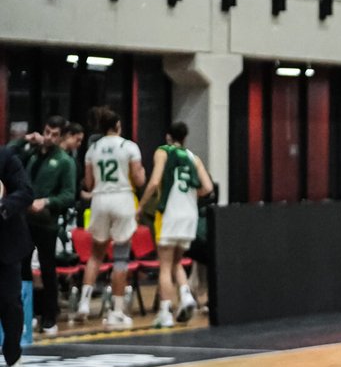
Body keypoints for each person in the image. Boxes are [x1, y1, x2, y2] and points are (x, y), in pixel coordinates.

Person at [137, 122, 213, 328]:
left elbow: (154, 181)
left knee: (164, 265)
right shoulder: (193, 157)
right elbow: (207, 187)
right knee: (176, 262)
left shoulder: (163, 152)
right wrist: (192, 195)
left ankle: (165, 312)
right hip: (189, 214)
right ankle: (186, 294)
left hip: (169, 213)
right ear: (185, 138)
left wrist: (141, 205)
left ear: (168, 137)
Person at [74, 110, 145, 328]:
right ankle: (117, 311)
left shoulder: (93, 148)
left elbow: (89, 183)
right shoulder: (128, 146)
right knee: (121, 257)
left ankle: (84, 303)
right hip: (122, 198)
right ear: (118, 125)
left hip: (100, 200)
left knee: (95, 254)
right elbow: (139, 179)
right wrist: (141, 173)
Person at [9, 118, 78, 337]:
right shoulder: (32, 154)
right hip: (25, 220)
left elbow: (68, 194)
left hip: (47, 222)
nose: (49, 137)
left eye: (54, 134)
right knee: (22, 267)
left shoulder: (65, 161)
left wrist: (47, 202)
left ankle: (49, 316)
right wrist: (24, 140)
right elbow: (8, 155)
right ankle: (25, 313)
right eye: (47, 132)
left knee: (48, 269)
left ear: (61, 137)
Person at [0, 141, 32, 367]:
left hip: (5, 244)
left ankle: (13, 359)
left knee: (9, 303)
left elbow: (26, 192)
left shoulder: (6, 157)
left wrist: (3, 205)